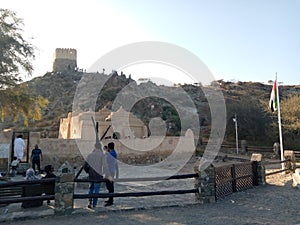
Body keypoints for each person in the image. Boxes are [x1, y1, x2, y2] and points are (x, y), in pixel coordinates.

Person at [83, 142, 106, 208]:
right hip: (98, 175)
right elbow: (105, 165)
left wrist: (88, 171)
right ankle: (94, 204)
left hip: (91, 175)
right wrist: (103, 173)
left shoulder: (90, 155)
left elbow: (85, 165)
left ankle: (89, 201)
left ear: (95, 147)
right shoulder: (102, 155)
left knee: (91, 188)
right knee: (96, 190)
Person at [104, 142, 119, 207]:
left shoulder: (110, 154)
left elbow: (106, 160)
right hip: (112, 171)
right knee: (109, 186)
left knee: (110, 186)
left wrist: (106, 152)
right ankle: (110, 198)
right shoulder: (114, 153)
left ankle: (111, 200)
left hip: (109, 171)